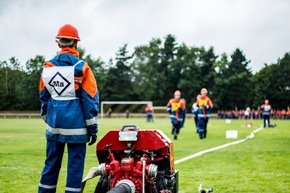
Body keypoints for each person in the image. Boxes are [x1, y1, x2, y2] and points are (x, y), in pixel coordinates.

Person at [38, 24, 99, 193]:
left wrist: (48, 118)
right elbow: (90, 98)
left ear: (59, 43)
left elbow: (43, 96)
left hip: (54, 124)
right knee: (75, 168)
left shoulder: (48, 67)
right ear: (76, 44)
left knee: (50, 165)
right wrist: (92, 127)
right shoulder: (82, 67)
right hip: (77, 127)